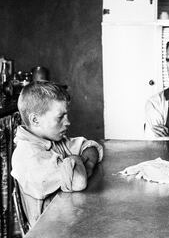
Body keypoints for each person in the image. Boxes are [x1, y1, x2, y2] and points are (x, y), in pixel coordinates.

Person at [11, 81, 104, 226]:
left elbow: (90, 146)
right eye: (60, 117)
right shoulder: (28, 156)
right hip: (49, 231)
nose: (68, 122)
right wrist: (75, 158)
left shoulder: (54, 140)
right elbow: (78, 181)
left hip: (69, 221)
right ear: (35, 120)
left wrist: (88, 164)